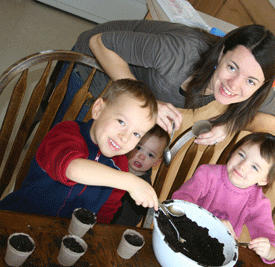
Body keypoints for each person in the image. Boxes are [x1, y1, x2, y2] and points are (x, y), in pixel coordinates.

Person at [54, 20, 275, 145]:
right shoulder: (179, 54)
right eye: (232, 67)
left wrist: (229, 124)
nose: (234, 85)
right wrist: (148, 102)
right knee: (65, 144)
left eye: (251, 81)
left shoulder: (254, 74)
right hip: (93, 68)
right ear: (222, 53)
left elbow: (273, 122)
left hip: (128, 97)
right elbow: (99, 43)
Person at [0, 79, 160, 223]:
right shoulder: (66, 132)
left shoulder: (121, 166)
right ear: (98, 109)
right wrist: (130, 181)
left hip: (60, 237)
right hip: (16, 218)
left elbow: (105, 213)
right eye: (121, 121)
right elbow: (73, 168)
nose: (124, 137)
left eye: (136, 134)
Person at [172, 132, 275, 264]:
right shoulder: (207, 174)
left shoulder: (258, 202)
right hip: (183, 238)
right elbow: (180, 200)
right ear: (233, 151)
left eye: (254, 167)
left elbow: (268, 234)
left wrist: (269, 251)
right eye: (241, 155)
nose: (242, 165)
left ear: (264, 180)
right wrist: (211, 223)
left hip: (216, 255)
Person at [112, 124, 170, 226]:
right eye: (139, 148)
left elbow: (129, 221)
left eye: (150, 155)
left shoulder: (145, 190)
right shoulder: (113, 161)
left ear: (156, 162)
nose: (141, 156)